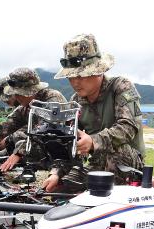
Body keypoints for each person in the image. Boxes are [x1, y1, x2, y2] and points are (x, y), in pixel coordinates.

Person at [41, 33, 145, 192]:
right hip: (97, 165)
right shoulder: (76, 101)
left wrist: (93, 141)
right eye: (71, 76)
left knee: (115, 152)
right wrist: (57, 173)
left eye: (81, 75)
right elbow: (69, 143)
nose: (75, 82)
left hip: (127, 164)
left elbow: (128, 127)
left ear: (98, 71)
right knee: (61, 188)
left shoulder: (120, 87)